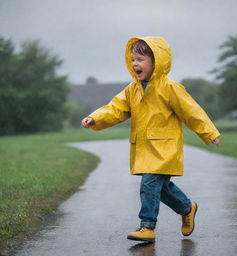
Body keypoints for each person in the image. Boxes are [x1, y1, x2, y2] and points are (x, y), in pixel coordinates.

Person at [81, 37, 220, 243]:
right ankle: (187, 208)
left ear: (157, 60)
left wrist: (209, 132)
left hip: (164, 148)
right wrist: (96, 117)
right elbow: (115, 108)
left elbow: (192, 111)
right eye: (132, 59)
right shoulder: (132, 89)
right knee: (160, 189)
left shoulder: (170, 87)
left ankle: (147, 226)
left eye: (140, 59)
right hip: (145, 148)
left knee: (149, 185)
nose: (135, 64)